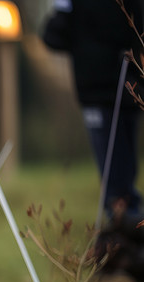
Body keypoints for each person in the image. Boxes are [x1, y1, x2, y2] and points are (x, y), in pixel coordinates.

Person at [42, 0, 144, 225]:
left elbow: (54, 37)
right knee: (122, 172)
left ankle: (126, 229)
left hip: (108, 92)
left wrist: (63, 12)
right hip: (126, 90)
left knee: (118, 175)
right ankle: (127, 225)